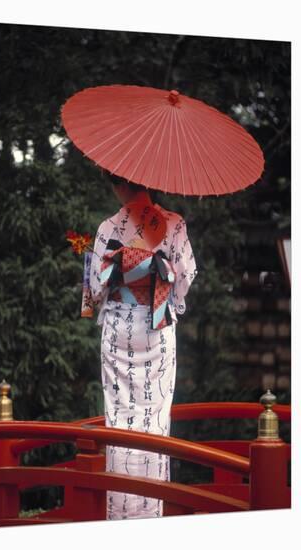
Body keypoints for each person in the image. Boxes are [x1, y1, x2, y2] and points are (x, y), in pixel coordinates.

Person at [89, 173, 198, 520]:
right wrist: (160, 281)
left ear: (116, 184)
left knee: (119, 417)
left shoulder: (108, 228)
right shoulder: (173, 223)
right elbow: (184, 277)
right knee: (154, 416)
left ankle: (120, 512)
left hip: (120, 328)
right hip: (156, 324)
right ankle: (150, 512)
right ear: (148, 181)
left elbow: (95, 288)